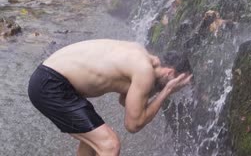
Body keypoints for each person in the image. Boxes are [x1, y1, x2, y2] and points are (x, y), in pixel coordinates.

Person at [28, 39, 192, 156]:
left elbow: (125, 101)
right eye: (178, 84)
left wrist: (160, 89)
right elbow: (133, 124)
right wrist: (166, 91)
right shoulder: (144, 71)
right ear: (171, 73)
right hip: (52, 84)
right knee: (109, 145)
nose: (176, 89)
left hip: (49, 77)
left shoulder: (140, 53)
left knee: (92, 142)